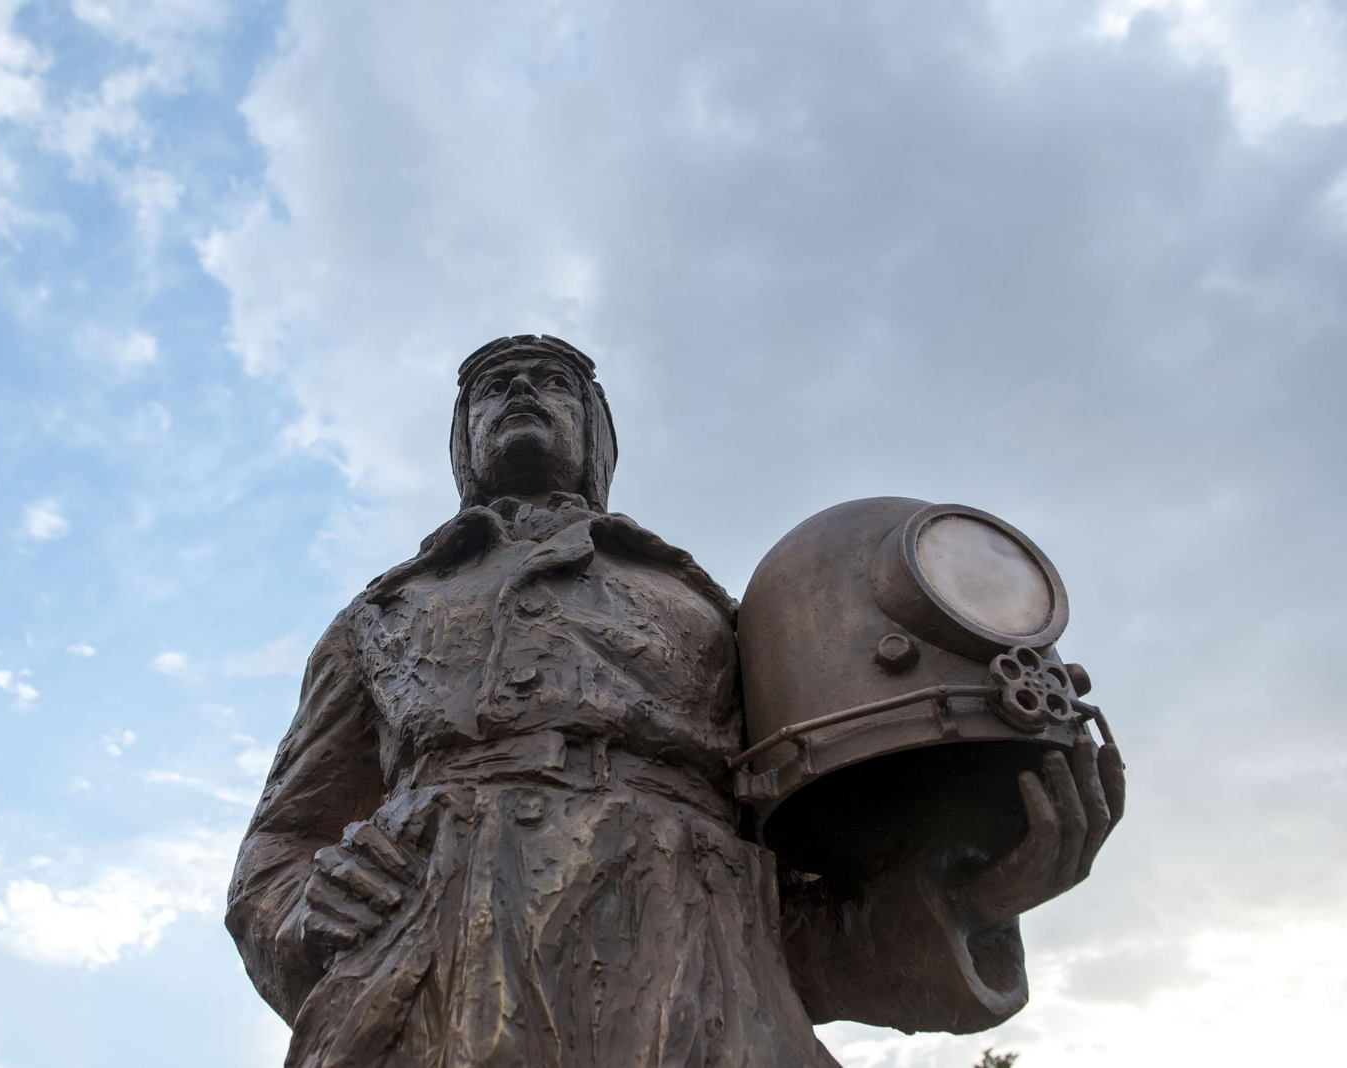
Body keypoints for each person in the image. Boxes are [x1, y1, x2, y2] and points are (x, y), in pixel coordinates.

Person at [227, 335, 1123, 1067]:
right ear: (462, 443)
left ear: (598, 438)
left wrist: (977, 899)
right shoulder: (381, 615)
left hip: (700, 996)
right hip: (432, 990)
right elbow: (277, 846)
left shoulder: (712, 614)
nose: (522, 393)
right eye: (494, 388)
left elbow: (802, 915)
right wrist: (305, 912)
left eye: (552, 383)